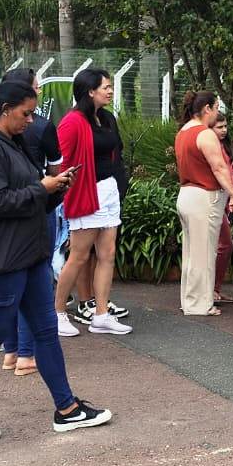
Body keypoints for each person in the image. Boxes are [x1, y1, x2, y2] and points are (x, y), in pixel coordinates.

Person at [0, 81, 112, 441]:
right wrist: (43, 188)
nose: (31, 120)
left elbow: (28, 198)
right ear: (6, 110)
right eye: (26, 113)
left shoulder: (13, 142)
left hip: (28, 254)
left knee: (45, 330)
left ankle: (67, 409)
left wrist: (56, 189)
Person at [54, 68, 130, 336]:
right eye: (105, 87)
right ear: (90, 91)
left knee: (107, 254)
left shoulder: (106, 118)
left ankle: (101, 314)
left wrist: (120, 185)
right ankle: (58, 313)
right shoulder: (72, 121)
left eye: (110, 86)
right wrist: (63, 191)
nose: (110, 91)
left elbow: (116, 153)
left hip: (108, 190)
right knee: (79, 255)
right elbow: (61, 162)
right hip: (86, 191)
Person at [175, 91, 233, 316]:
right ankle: (200, 305)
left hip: (186, 194)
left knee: (192, 254)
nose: (217, 112)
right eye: (216, 107)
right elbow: (219, 167)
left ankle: (190, 301)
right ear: (207, 109)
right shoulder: (205, 134)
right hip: (204, 196)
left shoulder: (183, 132)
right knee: (204, 254)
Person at [213, 115, 233, 305]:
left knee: (223, 245)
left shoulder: (224, 146)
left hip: (225, 200)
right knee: (224, 244)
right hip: (214, 200)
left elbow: (232, 172)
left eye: (225, 126)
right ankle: (212, 289)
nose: (224, 130)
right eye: (219, 127)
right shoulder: (210, 146)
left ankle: (215, 288)